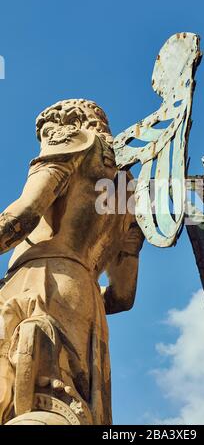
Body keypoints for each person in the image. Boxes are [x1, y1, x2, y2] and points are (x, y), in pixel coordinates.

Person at [0, 99, 144, 425]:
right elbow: (123, 297)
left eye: (46, 131)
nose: (44, 139)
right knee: (63, 404)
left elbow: (22, 216)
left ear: (68, 123)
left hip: (37, 282)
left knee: (15, 399)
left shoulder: (72, 142)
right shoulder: (127, 189)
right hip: (86, 301)